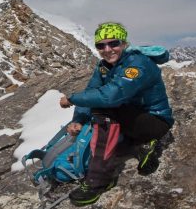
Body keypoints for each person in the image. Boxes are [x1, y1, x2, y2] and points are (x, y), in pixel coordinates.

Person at [59, 22, 173, 207]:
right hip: (130, 119)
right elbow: (92, 90)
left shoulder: (138, 63)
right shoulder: (104, 66)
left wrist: (72, 99)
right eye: (100, 45)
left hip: (154, 121)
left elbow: (112, 96)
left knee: (104, 108)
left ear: (124, 43)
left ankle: (99, 180)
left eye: (113, 43)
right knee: (103, 124)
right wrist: (79, 119)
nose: (107, 49)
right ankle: (140, 146)